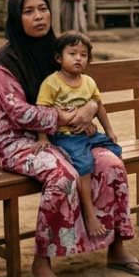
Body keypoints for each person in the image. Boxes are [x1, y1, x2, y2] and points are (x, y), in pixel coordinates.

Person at [0, 0, 139, 277]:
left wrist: (89, 109)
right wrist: (67, 117)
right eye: (28, 11)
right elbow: (17, 112)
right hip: (19, 141)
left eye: (43, 8)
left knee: (112, 164)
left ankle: (116, 248)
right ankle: (41, 263)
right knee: (63, 177)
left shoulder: (57, 49)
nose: (39, 16)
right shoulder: (5, 62)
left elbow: (86, 91)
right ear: (14, 17)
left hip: (67, 136)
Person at [34, 31, 124, 239]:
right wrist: (43, 138)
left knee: (115, 152)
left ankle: (103, 202)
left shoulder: (88, 82)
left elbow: (98, 106)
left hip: (88, 135)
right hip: (65, 137)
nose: (78, 59)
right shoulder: (52, 83)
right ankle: (88, 211)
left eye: (83, 55)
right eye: (72, 53)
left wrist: (108, 131)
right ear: (59, 58)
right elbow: (42, 112)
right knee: (84, 164)